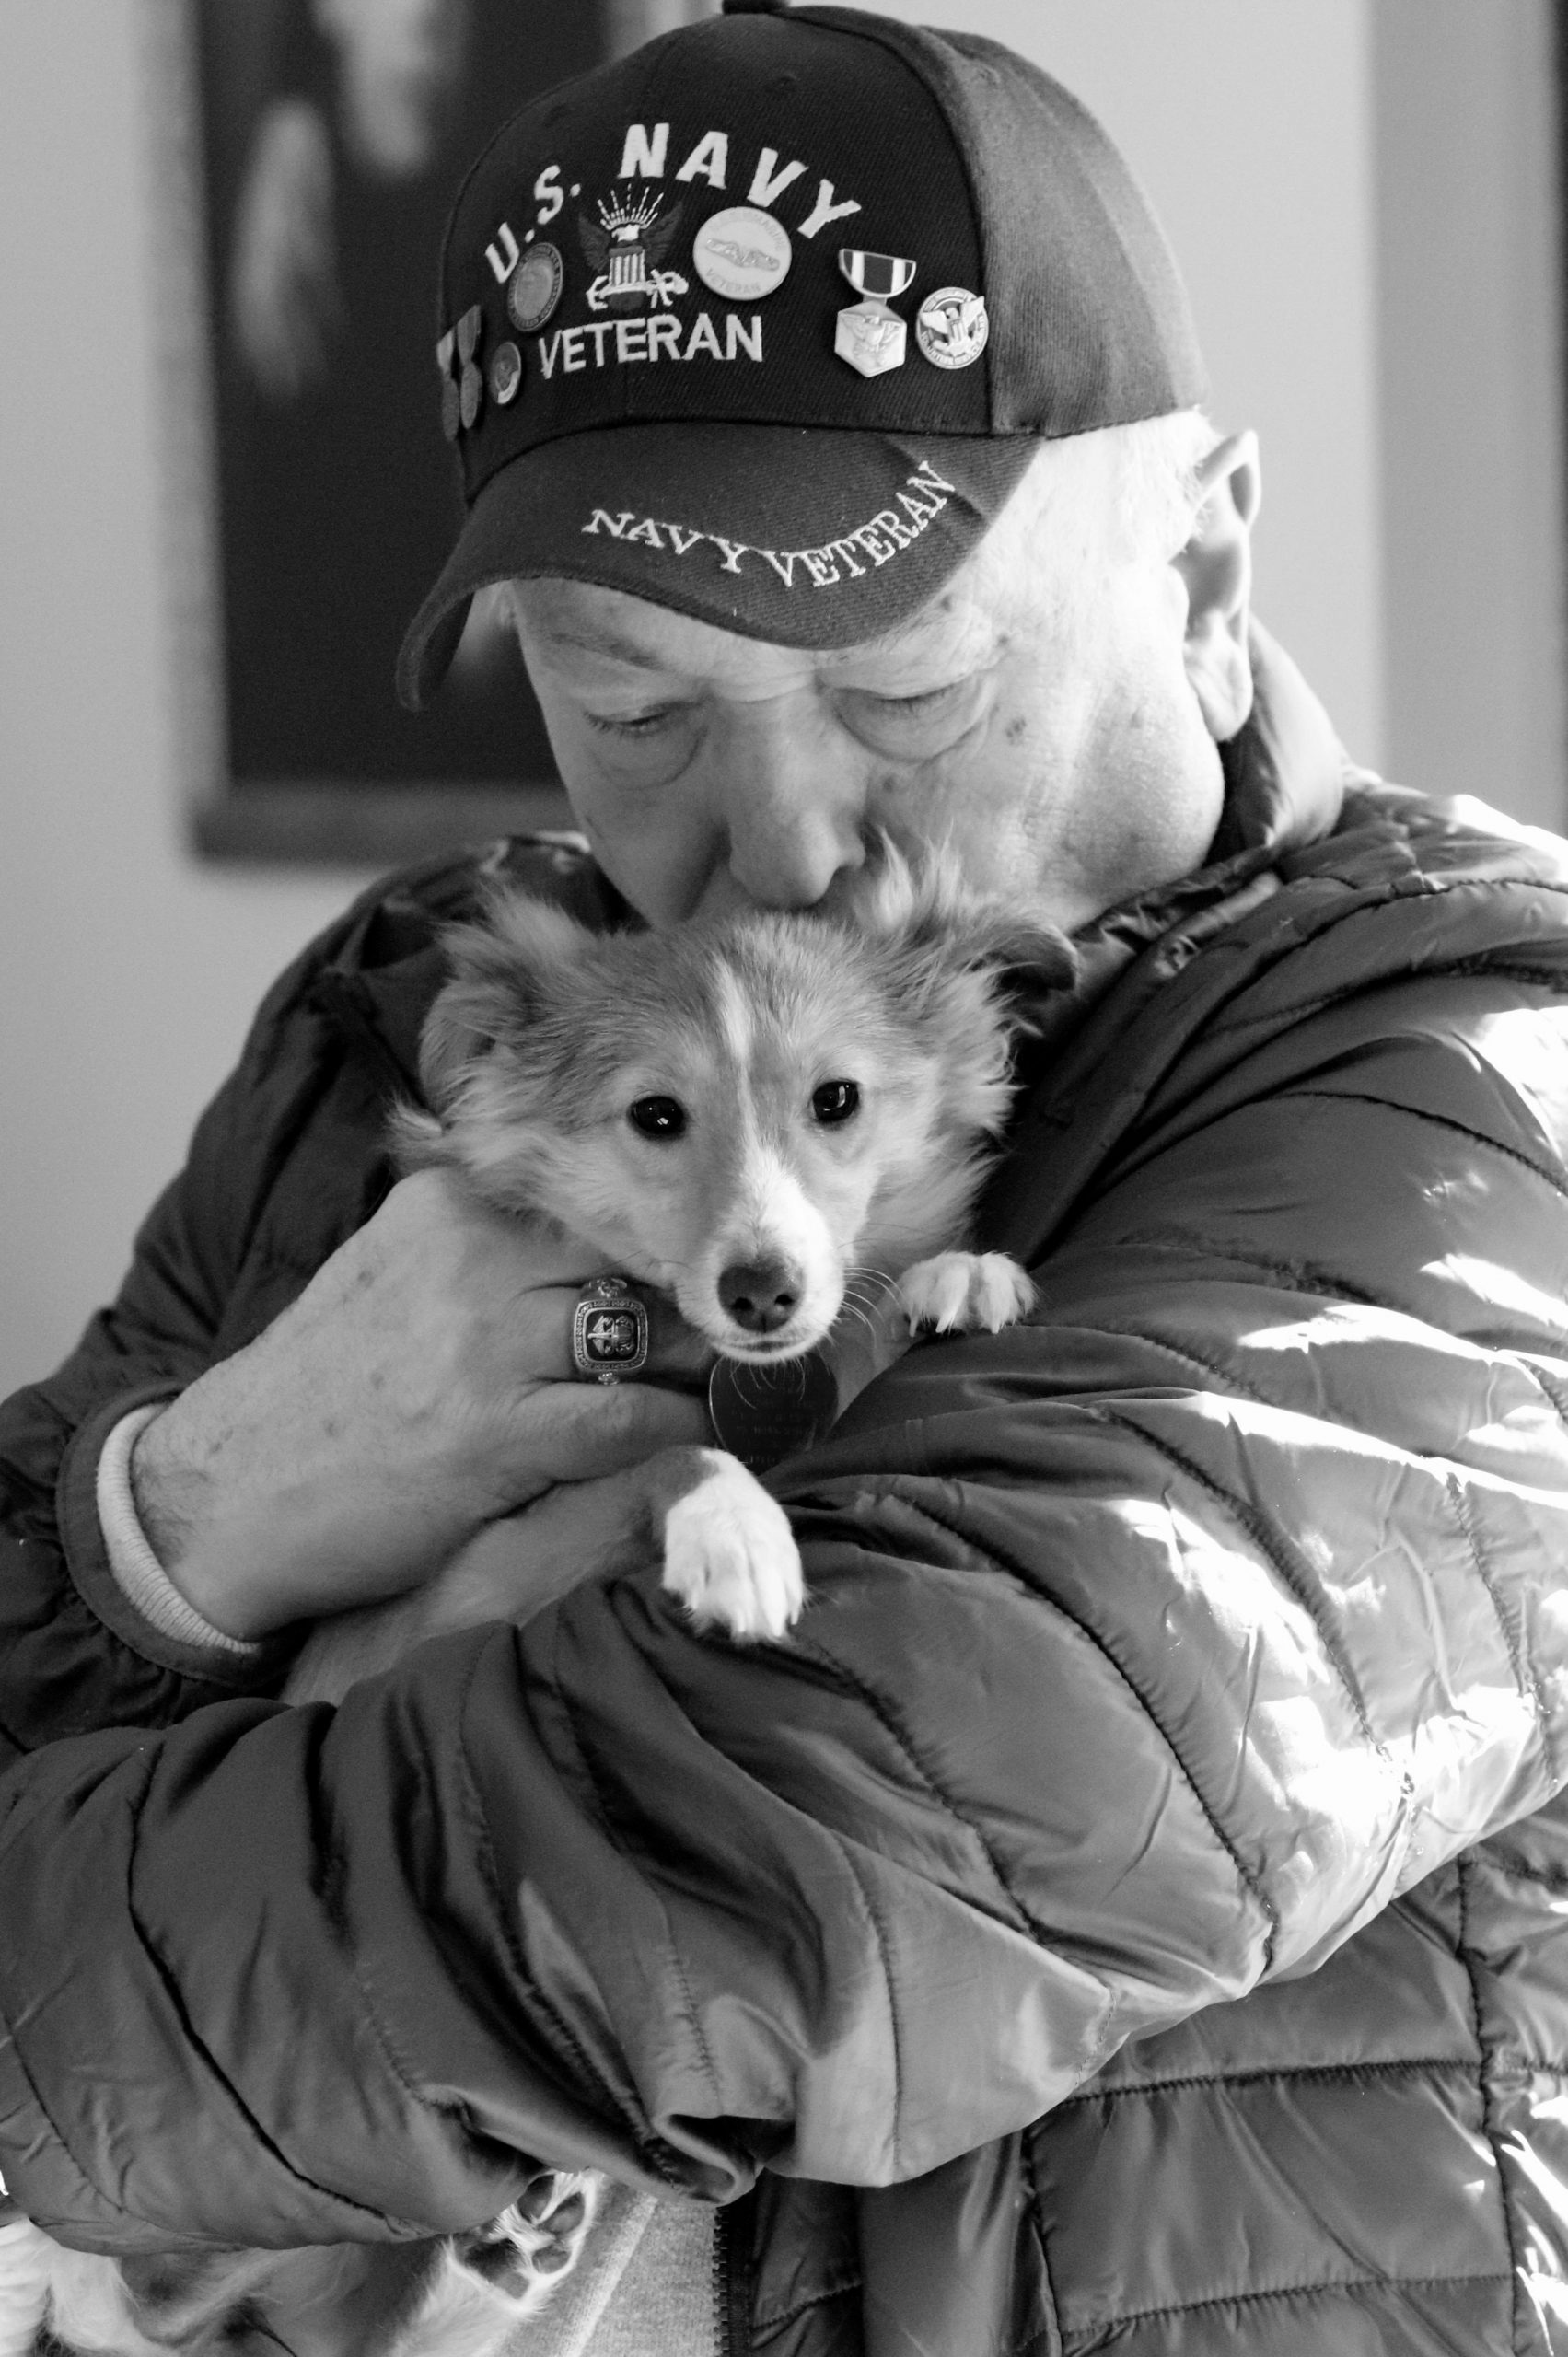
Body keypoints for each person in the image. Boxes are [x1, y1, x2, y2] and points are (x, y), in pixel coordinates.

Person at [6, 4, 1568, 2351]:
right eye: (629, 707)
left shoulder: (1477, 1086)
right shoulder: (413, 1013)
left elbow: (781, 1866)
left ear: (1207, 573)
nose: (786, 836)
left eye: (905, 684)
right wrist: (199, 1504)